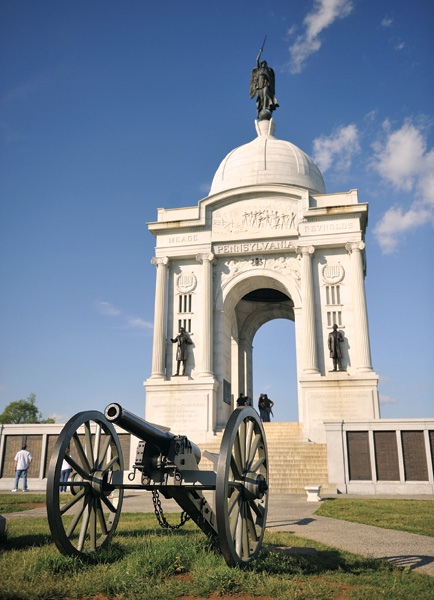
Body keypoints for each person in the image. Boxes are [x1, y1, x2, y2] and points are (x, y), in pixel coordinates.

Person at [249, 47, 279, 118]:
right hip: (259, 85)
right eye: (262, 63)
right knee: (261, 98)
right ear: (261, 64)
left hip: (265, 84)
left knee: (266, 94)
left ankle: (266, 107)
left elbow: (271, 76)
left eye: (264, 64)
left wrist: (267, 67)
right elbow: (257, 60)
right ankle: (261, 109)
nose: (263, 65)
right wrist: (260, 52)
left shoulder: (267, 71)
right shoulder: (259, 70)